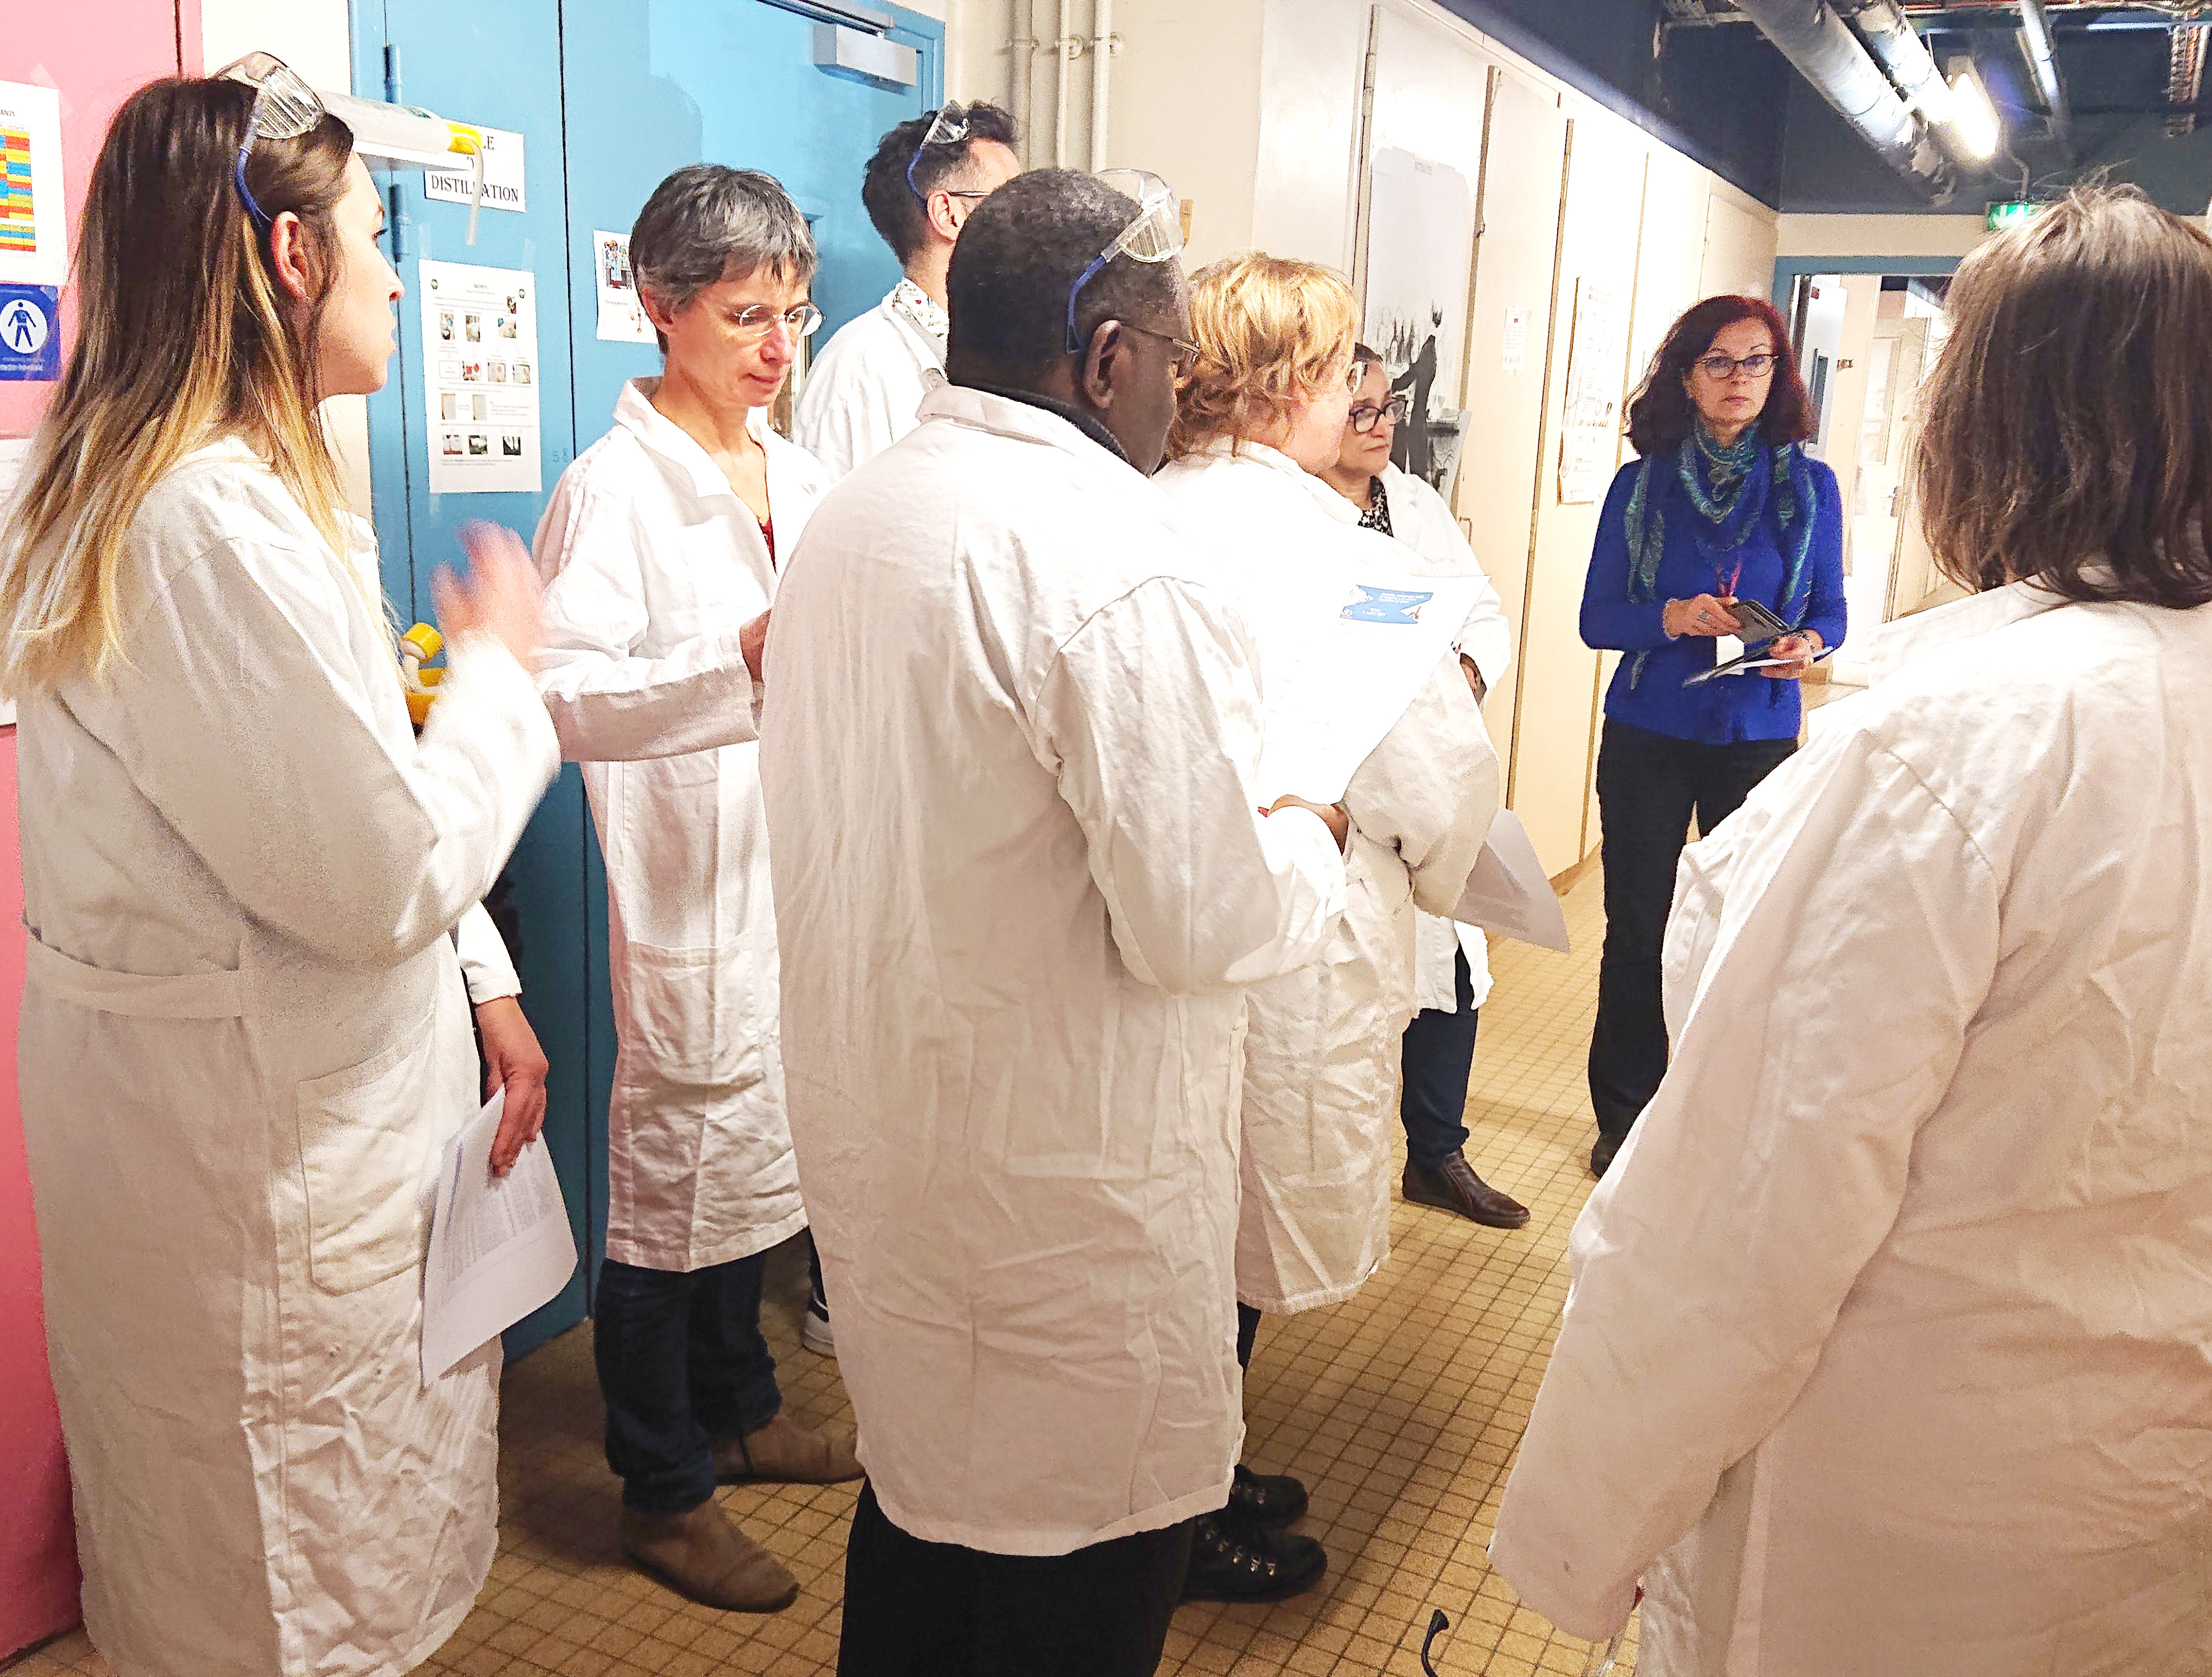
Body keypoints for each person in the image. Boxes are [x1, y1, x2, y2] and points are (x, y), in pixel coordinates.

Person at [1489, 186, 2212, 1677]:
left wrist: (1581, 1531)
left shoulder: (1951, 753)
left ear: (1982, 432)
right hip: (2194, 1478)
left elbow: (1740, 1222)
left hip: (1909, 1527)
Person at [3, 62, 559, 1675]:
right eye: (374, 236)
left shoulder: (244, 491)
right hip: (255, 1165)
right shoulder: (202, 526)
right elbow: (382, 864)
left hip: (267, 1118)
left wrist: (487, 980)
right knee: (274, 1587)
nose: (394, 275)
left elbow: (347, 795)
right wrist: (503, 670)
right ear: (291, 258)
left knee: (270, 1553)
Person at [760, 168, 1349, 1677]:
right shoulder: (1115, 557)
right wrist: (1304, 835)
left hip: (891, 1148)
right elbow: (1200, 920)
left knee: (918, 1529)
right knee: (1068, 1584)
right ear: (1104, 359)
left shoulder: (852, 521)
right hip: (1060, 1200)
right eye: (1171, 353)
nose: (1183, 392)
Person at [532, 163, 857, 1616]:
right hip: (688, 893)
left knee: (763, 1159)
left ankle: (740, 1410)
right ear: (658, 311)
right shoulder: (614, 492)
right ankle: (660, 1486)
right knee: (669, 1191)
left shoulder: (804, 473)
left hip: (796, 874)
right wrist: (734, 663)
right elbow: (563, 702)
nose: (777, 346)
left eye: (793, 311)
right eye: (743, 315)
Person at [1157, 253, 1501, 1599]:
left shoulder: (1138, 510)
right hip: (1287, 936)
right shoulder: (1331, 551)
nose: (1357, 394)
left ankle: (1203, 1458)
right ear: (1293, 381)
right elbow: (1433, 773)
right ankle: (1183, 1512)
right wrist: (1434, 868)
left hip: (1158, 931)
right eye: (1341, 369)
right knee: (1228, 1237)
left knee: (1183, 1220)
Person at [1580, 295, 1846, 1179]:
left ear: (1780, 376)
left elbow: (1832, 615)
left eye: (1759, 362)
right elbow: (1596, 619)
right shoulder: (1642, 484)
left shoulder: (1810, 489)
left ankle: (1719, 1110)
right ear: (1687, 378)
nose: (1741, 380)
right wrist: (1673, 614)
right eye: (1721, 363)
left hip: (1758, 730)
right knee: (1640, 924)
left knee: (1741, 927)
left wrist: (1806, 643)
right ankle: (1626, 1114)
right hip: (1651, 730)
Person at [1312, 342, 1525, 1229]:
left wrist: (1462, 676)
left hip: (1425, 762)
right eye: (1356, 410)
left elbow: (1480, 611)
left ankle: (1437, 1152)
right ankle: (1338, 1175)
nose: (1377, 427)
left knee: (1453, 964)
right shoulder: (1294, 512)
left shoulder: (1415, 504)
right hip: (1337, 778)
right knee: (1349, 991)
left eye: (1385, 408)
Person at [790, 101, 1019, 479]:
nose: (1033, 220)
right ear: (949, 215)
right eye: (1013, 201)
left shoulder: (1015, 352)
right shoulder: (857, 370)